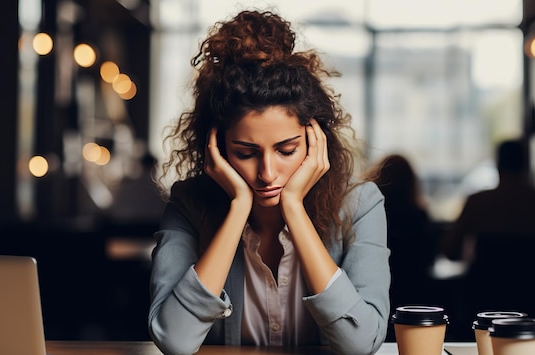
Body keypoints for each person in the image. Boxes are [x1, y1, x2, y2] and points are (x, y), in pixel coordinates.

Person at [148, 10, 390, 355]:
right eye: (245, 152)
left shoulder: (361, 204)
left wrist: (294, 209)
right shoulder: (188, 203)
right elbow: (174, 340)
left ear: (314, 141)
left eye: (286, 150)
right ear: (216, 149)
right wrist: (238, 210)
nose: (267, 173)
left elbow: (359, 343)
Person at [439, 139, 535, 262]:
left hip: (487, 280)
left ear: (497, 165)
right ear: (527, 165)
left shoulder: (478, 203)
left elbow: (450, 250)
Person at [364, 154, 436, 309]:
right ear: (411, 181)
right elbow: (429, 257)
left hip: (379, 289)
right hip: (415, 289)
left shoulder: (370, 214)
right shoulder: (419, 216)